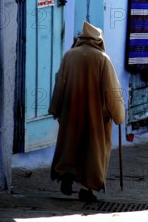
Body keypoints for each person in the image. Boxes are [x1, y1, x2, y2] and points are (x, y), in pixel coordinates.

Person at [49, 21, 125, 202]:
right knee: (92, 150)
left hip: (71, 112)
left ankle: (67, 174)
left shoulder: (69, 56)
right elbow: (112, 91)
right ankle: (87, 189)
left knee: (71, 144)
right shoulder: (102, 60)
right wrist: (118, 115)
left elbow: (60, 84)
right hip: (94, 116)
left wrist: (57, 109)